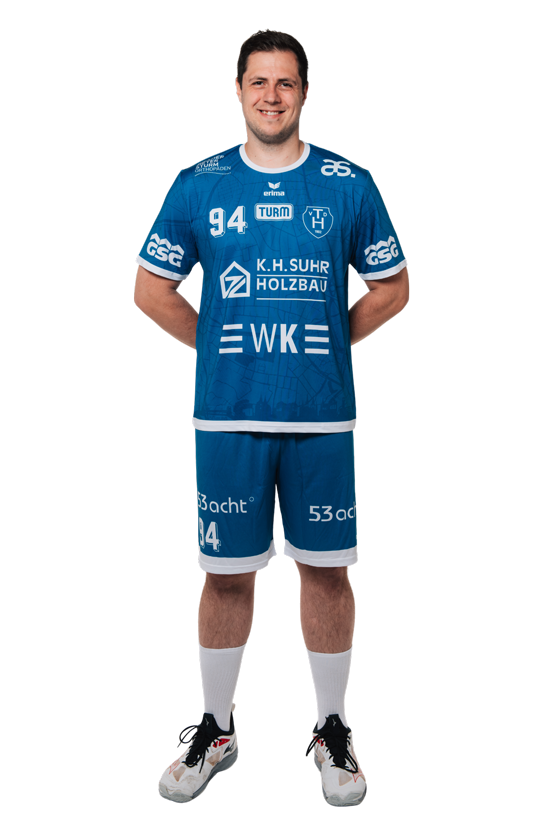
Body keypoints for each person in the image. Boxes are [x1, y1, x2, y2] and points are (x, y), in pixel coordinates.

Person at [134, 29, 409, 808]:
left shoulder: (350, 183)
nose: (272, 95)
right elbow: (151, 289)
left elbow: (393, 287)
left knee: (328, 569)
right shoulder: (198, 183)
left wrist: (331, 342)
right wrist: (224, 350)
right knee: (225, 573)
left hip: (322, 416)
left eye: (286, 82)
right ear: (238, 89)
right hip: (227, 415)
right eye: (259, 81)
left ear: (304, 93)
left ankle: (332, 726)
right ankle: (217, 729)